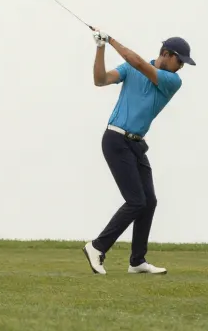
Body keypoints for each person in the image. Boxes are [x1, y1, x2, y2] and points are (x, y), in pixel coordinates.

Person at [82, 33, 195, 276]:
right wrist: (101, 47)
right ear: (166, 54)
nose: (181, 67)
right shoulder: (131, 68)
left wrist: (111, 40)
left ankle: (137, 261)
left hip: (136, 144)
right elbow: (100, 80)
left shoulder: (171, 80)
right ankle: (97, 247)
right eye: (180, 61)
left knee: (149, 202)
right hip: (115, 139)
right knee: (136, 201)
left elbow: (140, 64)